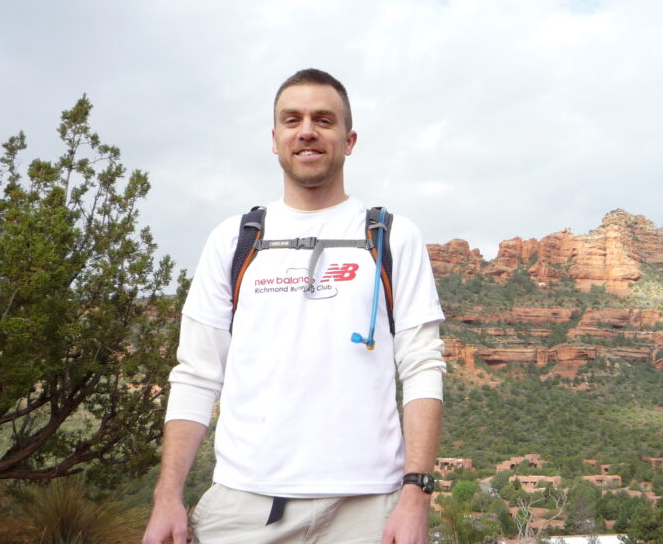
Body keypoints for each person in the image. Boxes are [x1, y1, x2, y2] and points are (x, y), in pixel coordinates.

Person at [142, 69, 446, 544]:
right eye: (293, 119)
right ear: (275, 138)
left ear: (349, 139)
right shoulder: (235, 239)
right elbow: (196, 374)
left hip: (369, 507)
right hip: (243, 503)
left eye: (324, 120)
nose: (307, 131)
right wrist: (167, 498)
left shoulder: (392, 236)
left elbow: (423, 365)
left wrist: (415, 496)